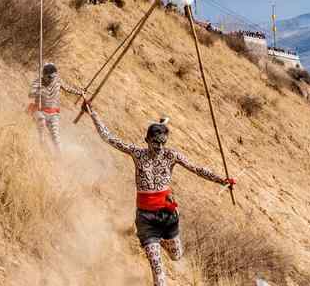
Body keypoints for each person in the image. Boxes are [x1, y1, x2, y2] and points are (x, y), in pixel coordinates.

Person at [83, 103, 237, 286]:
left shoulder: (171, 156)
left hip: (167, 214)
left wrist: (221, 180)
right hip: (145, 216)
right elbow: (108, 137)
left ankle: (162, 241)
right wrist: (93, 114)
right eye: (156, 142)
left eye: (163, 143)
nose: (160, 147)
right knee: (158, 269)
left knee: (176, 255)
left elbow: (196, 168)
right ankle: (152, 243)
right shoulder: (137, 154)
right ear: (147, 140)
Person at [28, 63, 84, 151]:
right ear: (44, 75)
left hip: (53, 114)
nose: (52, 80)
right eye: (49, 77)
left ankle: (59, 156)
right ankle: (41, 145)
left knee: (56, 137)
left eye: (54, 77)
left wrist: (80, 92)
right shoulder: (37, 82)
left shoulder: (58, 81)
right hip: (39, 111)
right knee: (41, 123)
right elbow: (30, 94)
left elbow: (68, 88)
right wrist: (37, 91)